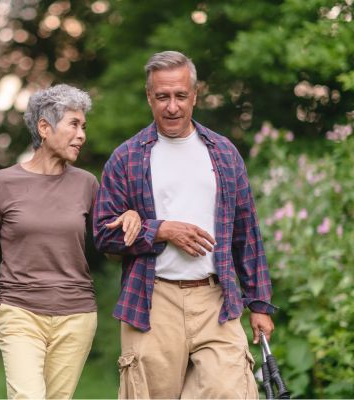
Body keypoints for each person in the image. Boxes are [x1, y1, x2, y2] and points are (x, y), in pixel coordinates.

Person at [93, 50, 276, 399]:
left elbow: (246, 233)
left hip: (216, 299)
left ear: (195, 95)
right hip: (152, 299)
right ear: (150, 97)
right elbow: (103, 233)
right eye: (162, 97)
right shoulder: (127, 157)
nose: (172, 106)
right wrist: (159, 230)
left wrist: (260, 304)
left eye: (180, 96)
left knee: (232, 391)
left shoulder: (223, 153)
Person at [0, 84, 139, 399]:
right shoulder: (1, 183)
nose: (82, 135)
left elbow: (112, 247)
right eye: (74, 124)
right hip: (20, 310)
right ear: (44, 128)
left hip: (76, 315)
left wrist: (130, 217)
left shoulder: (87, 183)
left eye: (83, 126)